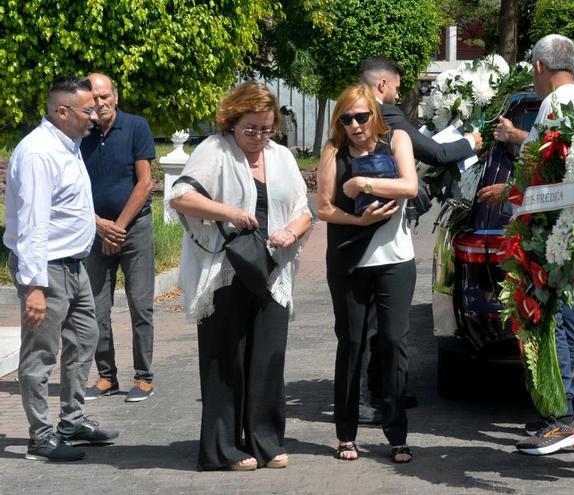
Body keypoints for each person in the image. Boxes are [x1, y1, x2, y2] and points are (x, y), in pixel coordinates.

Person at [168, 81, 311, 471]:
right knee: (224, 360)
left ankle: (265, 441)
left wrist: (291, 232)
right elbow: (180, 196)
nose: (259, 137)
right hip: (227, 271)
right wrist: (229, 212)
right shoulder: (214, 151)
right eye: (251, 129)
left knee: (268, 360)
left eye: (266, 128)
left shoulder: (280, 156)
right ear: (232, 120)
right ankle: (223, 449)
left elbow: (303, 210)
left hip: (271, 270)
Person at [478, 33, 574, 456]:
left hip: (557, 234)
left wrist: (510, 194)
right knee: (562, 321)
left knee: (560, 323)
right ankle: (564, 411)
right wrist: (518, 138)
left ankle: (567, 416)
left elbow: (551, 178)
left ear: (538, 67)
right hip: (567, 230)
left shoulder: (560, 103)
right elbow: (549, 156)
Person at [356, 56, 484, 424]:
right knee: (373, 320)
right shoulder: (383, 114)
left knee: (382, 319)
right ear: (382, 85)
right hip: (373, 226)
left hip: (377, 224)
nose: (398, 92)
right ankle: (369, 395)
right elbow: (436, 153)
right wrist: (471, 141)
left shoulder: (358, 110)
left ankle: (386, 388)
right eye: (396, 85)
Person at [4, 77, 119, 462]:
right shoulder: (39, 153)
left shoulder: (67, 146)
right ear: (62, 111)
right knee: (40, 354)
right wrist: (34, 285)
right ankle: (40, 436)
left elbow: (69, 207)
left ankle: (72, 421)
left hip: (73, 265)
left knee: (85, 337)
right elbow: (34, 223)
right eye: (88, 109)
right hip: (47, 268)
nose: (96, 114)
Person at [317, 84, 418, 463]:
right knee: (352, 344)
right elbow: (324, 208)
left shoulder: (398, 140)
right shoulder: (333, 153)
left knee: (393, 342)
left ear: (374, 115)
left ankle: (396, 433)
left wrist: (364, 184)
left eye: (361, 117)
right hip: (349, 261)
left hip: (395, 260)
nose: (356, 125)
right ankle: (346, 433)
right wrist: (360, 220)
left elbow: (410, 186)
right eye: (347, 119)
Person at [81, 73, 158, 403]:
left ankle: (143, 377)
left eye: (104, 95)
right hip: (95, 231)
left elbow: (145, 182)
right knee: (96, 308)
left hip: (134, 228)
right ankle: (106, 376)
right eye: (93, 98)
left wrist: (118, 228)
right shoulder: (81, 133)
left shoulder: (136, 126)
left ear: (116, 96)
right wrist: (99, 225)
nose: (99, 103)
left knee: (140, 304)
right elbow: (74, 184)